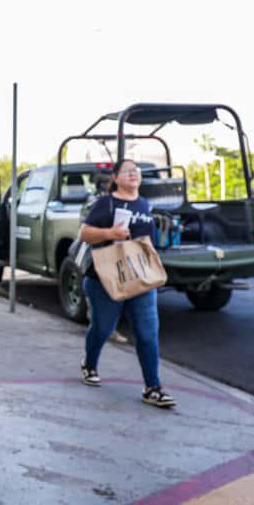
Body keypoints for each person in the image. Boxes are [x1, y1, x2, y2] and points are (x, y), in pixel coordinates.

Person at [78, 159, 175, 408]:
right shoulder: (106, 203)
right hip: (106, 279)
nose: (133, 174)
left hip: (140, 278)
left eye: (137, 171)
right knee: (103, 328)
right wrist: (111, 234)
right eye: (128, 171)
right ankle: (89, 364)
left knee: (148, 332)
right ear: (116, 178)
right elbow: (84, 233)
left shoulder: (144, 204)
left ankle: (152, 387)